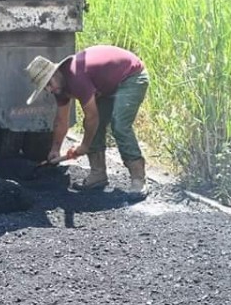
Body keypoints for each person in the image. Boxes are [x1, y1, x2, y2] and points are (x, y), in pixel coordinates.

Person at [25, 45, 151, 198]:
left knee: (119, 124)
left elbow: (92, 116)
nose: (49, 90)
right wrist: (55, 148)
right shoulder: (60, 87)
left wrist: (84, 145)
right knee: (92, 127)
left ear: (56, 73)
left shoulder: (75, 76)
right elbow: (61, 120)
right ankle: (98, 175)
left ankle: (138, 179)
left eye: (48, 84)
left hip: (132, 75)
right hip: (107, 85)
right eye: (45, 88)